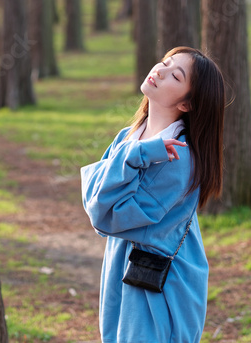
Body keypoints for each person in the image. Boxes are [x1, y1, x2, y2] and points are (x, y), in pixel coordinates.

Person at [80, 46, 225, 343]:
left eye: (176, 75)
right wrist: (138, 153)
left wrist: (135, 157)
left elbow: (106, 217)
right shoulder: (128, 136)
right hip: (123, 270)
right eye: (164, 62)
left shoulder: (180, 160)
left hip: (159, 285)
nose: (159, 70)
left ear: (187, 104)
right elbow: (92, 194)